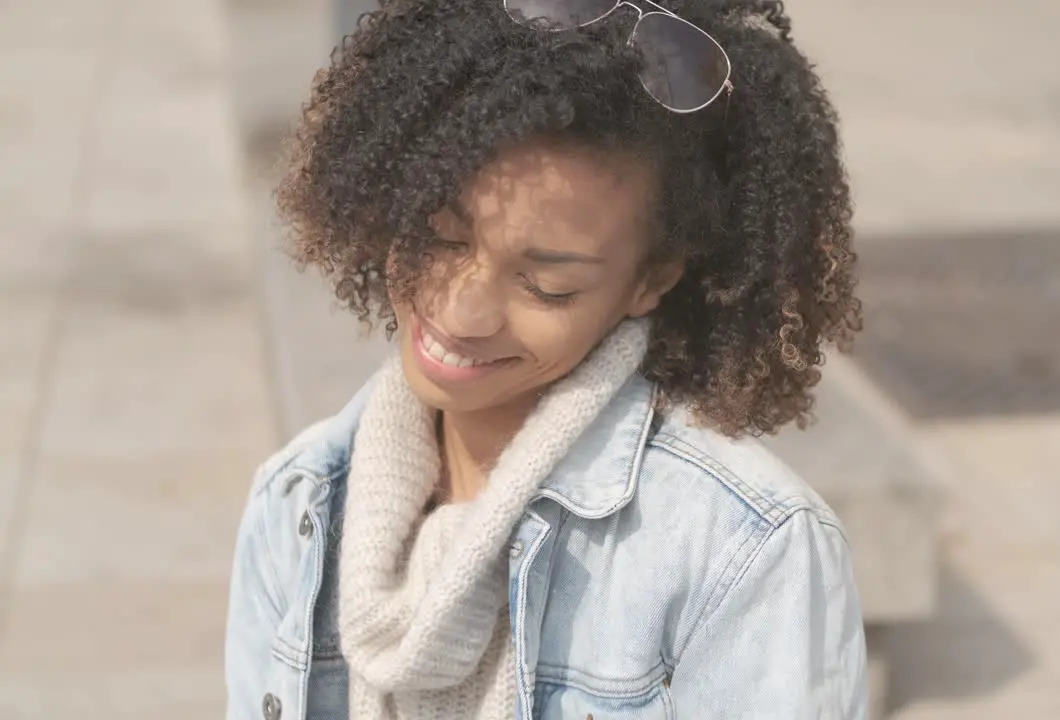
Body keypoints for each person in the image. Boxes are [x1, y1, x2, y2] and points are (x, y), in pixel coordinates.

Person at [224, 0, 867, 718]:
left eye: (546, 285)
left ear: (651, 280)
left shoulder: (741, 550)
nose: (462, 313)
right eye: (439, 237)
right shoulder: (299, 505)